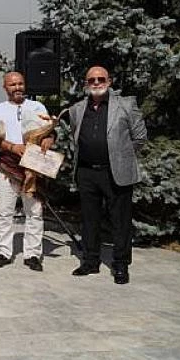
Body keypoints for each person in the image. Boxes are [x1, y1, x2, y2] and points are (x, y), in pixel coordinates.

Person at [65, 66, 147, 285]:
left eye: (101, 79)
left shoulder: (126, 105)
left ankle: (120, 265)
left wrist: (121, 157)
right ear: (86, 84)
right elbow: (75, 135)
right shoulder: (78, 109)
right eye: (91, 80)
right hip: (86, 172)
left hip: (115, 172)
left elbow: (139, 138)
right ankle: (90, 261)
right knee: (89, 219)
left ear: (109, 81)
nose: (96, 82)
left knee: (120, 221)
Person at [0, 72, 53, 272]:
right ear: (5, 87)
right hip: (7, 166)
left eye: (20, 83)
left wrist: (50, 139)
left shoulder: (38, 107)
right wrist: (12, 147)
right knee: (4, 212)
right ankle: (4, 252)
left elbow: (49, 132)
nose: (17, 87)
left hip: (33, 167)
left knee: (34, 212)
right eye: (12, 84)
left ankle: (32, 254)